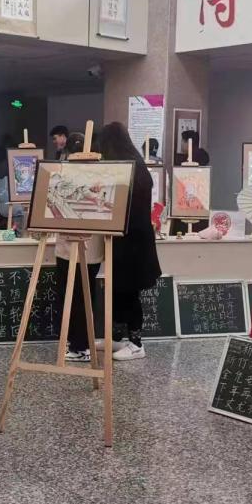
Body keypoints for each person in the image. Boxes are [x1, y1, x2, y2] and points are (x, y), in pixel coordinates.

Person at [98, 122, 161, 361]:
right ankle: (116, 337)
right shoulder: (134, 165)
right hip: (126, 241)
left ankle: (136, 344)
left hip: (133, 243)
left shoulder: (130, 169)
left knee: (129, 292)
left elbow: (122, 208)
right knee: (118, 290)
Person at [55, 133, 104, 361]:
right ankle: (79, 342)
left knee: (75, 297)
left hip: (74, 248)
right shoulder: (104, 174)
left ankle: (79, 346)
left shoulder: (67, 175)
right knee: (83, 295)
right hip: (89, 248)